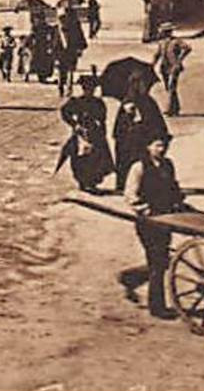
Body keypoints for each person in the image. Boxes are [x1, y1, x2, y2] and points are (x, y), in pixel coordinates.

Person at [124, 133, 188, 319]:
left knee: (160, 260)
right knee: (157, 262)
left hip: (167, 219)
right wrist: (145, 210)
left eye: (165, 145)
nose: (162, 149)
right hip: (148, 222)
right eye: (158, 145)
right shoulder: (139, 167)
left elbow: (173, 188)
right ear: (148, 147)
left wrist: (179, 202)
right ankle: (157, 307)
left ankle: (156, 302)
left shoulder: (168, 165)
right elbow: (131, 195)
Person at [56, 73, 114, 193]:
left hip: (95, 133)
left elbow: (103, 120)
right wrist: (75, 124)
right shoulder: (77, 101)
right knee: (79, 158)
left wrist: (103, 134)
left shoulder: (98, 103)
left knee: (96, 159)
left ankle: (92, 182)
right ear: (83, 89)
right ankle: (82, 181)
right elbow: (64, 112)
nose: (89, 91)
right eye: (87, 88)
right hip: (80, 133)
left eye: (92, 89)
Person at [113, 74, 169, 194]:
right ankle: (125, 185)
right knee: (129, 162)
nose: (144, 87)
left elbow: (156, 119)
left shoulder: (148, 101)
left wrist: (161, 133)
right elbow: (121, 125)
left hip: (144, 138)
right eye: (141, 84)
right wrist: (130, 117)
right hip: (130, 139)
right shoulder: (128, 101)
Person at [153, 23, 192, 117]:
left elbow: (187, 48)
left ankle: (169, 109)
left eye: (164, 32)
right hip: (164, 67)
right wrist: (152, 64)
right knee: (169, 88)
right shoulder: (161, 42)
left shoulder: (176, 41)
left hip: (174, 67)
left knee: (171, 87)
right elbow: (157, 54)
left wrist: (179, 59)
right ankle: (175, 107)